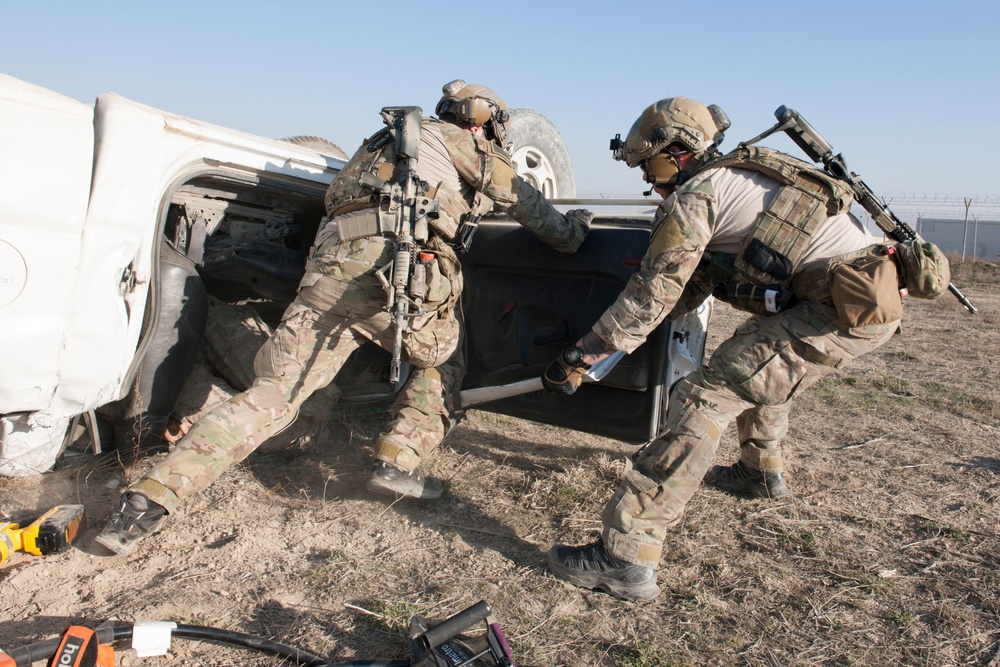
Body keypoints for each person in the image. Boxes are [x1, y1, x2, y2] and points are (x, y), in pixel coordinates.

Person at [95, 80, 592, 556]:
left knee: (270, 398)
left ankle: (146, 502)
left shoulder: (381, 144)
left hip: (328, 281)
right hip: (398, 285)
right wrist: (573, 234)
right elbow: (526, 204)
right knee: (443, 360)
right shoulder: (465, 144)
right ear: (484, 124)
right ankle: (398, 460)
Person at [541, 97, 949, 600]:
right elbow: (697, 282)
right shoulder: (742, 176)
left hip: (841, 310)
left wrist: (583, 353)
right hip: (851, 301)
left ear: (678, 151)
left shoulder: (695, 197)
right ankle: (760, 473)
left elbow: (654, 294)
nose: (648, 179)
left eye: (648, 163)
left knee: (706, 396)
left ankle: (626, 555)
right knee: (756, 362)